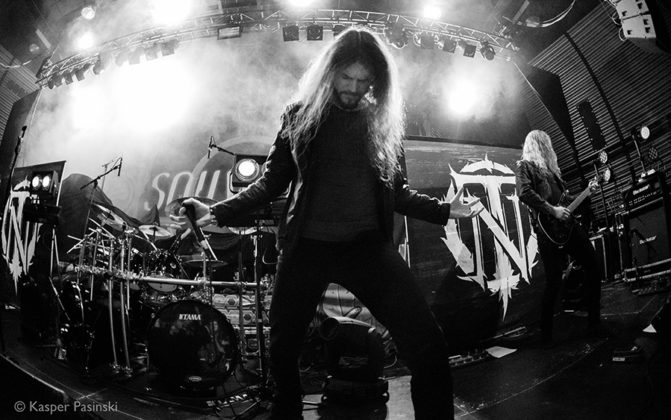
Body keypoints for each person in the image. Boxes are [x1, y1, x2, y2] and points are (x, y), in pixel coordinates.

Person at [181, 27, 481, 419]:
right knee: (283, 349)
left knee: (428, 344)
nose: (354, 88)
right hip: (307, 247)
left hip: (366, 248)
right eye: (346, 77)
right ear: (330, 72)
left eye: (364, 80)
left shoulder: (382, 121)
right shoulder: (300, 116)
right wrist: (217, 211)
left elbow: (398, 193)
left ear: (376, 81)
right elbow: (272, 182)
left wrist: (444, 210)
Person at [515, 130, 601, 345]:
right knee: (554, 280)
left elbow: (566, 200)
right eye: (546, 143)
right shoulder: (525, 166)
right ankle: (546, 336)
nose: (550, 147)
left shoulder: (553, 172)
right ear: (539, 144)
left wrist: (587, 192)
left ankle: (594, 324)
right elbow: (524, 193)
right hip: (547, 230)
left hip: (568, 227)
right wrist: (552, 210)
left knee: (593, 264)